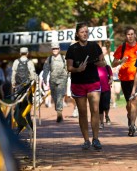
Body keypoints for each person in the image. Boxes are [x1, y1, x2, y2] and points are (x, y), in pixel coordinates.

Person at [65, 22, 105, 150]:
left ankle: (96, 139)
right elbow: (69, 68)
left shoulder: (94, 46)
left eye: (86, 31)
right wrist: (78, 69)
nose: (85, 34)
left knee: (95, 110)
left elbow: (103, 62)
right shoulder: (72, 49)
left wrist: (99, 63)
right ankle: (86, 140)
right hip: (78, 83)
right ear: (77, 33)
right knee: (82, 113)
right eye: (82, 32)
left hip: (93, 82)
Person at [112, 27, 137, 136]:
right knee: (129, 104)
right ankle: (130, 117)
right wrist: (121, 61)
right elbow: (113, 64)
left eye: (132, 34)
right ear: (126, 36)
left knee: (135, 101)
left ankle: (133, 125)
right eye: (128, 34)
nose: (130, 36)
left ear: (135, 35)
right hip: (125, 78)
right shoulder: (122, 47)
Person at [11, 47, 36, 134]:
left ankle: (20, 125)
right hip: (27, 89)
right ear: (27, 53)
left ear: (20, 53)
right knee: (27, 109)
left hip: (18, 88)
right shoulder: (30, 62)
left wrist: (13, 85)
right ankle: (29, 126)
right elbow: (33, 75)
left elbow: (13, 75)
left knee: (18, 108)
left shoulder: (16, 62)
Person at [43, 42, 68, 123]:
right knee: (55, 97)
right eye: (53, 48)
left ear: (59, 49)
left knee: (60, 96)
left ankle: (59, 114)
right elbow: (46, 69)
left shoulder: (63, 58)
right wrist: (44, 77)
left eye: (56, 48)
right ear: (51, 49)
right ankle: (58, 111)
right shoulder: (49, 59)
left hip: (62, 80)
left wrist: (69, 76)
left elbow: (68, 68)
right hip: (53, 80)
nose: (55, 50)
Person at [97, 63, 113, 129]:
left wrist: (111, 80)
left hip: (106, 89)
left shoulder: (107, 67)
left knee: (106, 106)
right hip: (97, 89)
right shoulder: (94, 67)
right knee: (100, 107)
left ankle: (106, 116)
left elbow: (111, 76)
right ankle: (101, 122)